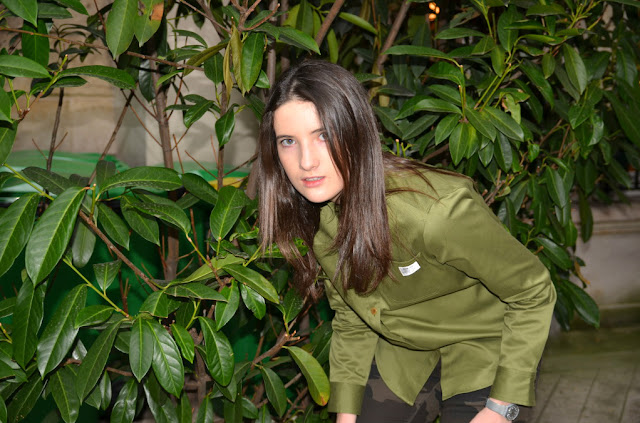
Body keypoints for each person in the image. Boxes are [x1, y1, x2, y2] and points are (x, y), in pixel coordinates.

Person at [256, 60, 556, 423]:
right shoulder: (319, 221)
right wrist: (347, 415)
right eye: (288, 142)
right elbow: (352, 318)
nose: (306, 162)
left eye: (323, 135)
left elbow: (532, 290)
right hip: (404, 355)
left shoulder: (435, 213)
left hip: (485, 347)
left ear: (356, 132)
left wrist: (501, 407)